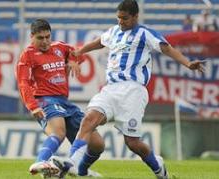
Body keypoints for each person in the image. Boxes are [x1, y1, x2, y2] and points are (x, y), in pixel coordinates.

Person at [54, 0, 206, 179]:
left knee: (133, 143)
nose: (121, 22)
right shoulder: (113, 32)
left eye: (125, 18)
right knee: (89, 119)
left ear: (135, 16)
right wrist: (80, 51)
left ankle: (159, 167)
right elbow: (100, 42)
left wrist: (188, 63)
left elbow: (166, 48)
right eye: (118, 18)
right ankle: (71, 162)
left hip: (133, 91)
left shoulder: (144, 33)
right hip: (110, 89)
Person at [16, 19, 104, 178]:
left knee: (97, 144)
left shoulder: (60, 47)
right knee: (58, 132)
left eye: (47, 37)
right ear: (32, 37)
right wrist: (33, 106)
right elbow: (23, 83)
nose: (45, 42)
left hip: (64, 101)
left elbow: (78, 54)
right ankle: (40, 163)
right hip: (45, 100)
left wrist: (72, 60)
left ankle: (79, 171)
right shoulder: (27, 55)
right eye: (40, 38)